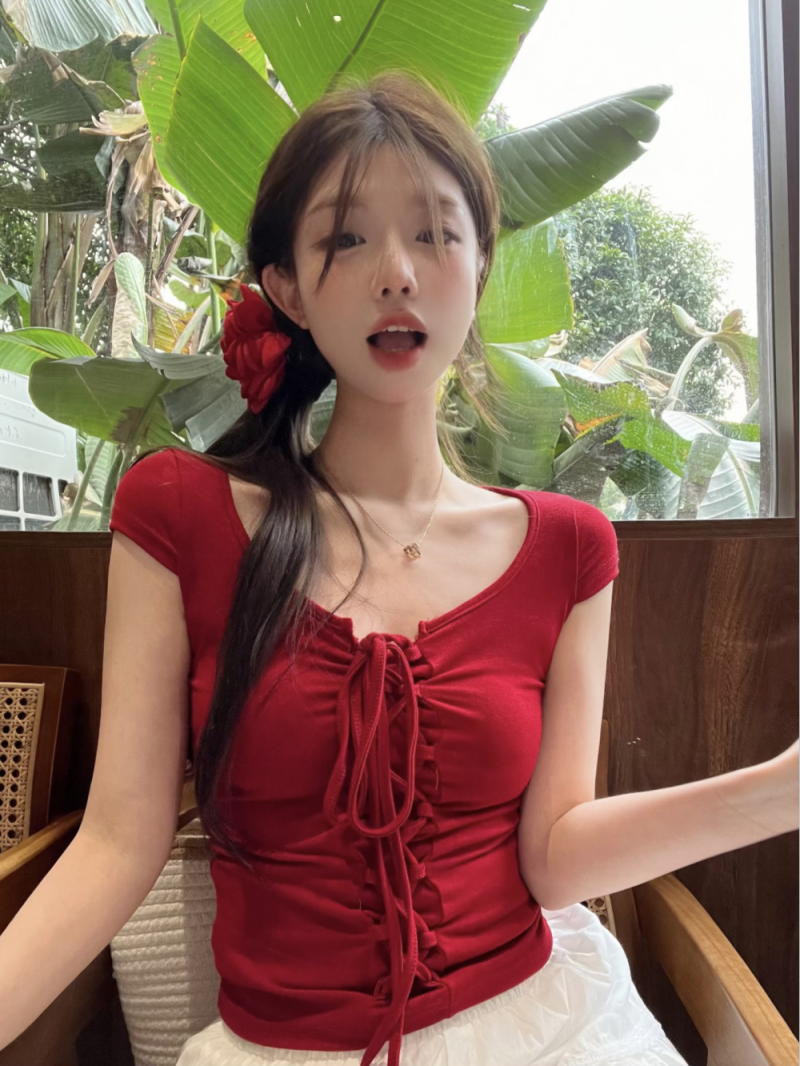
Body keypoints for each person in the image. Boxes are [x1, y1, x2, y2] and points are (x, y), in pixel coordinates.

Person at [1, 68, 795, 1066]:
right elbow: (118, 845)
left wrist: (780, 790)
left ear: (479, 265)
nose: (396, 272)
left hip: (546, 1029)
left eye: (433, 233)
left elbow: (555, 858)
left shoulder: (568, 547)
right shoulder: (176, 514)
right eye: (344, 239)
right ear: (286, 287)